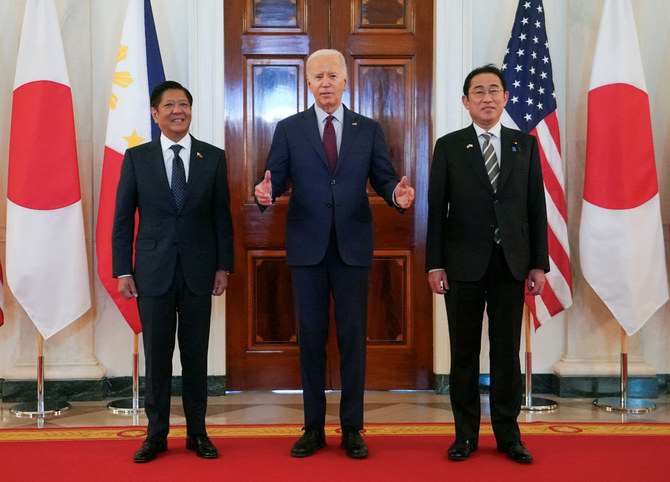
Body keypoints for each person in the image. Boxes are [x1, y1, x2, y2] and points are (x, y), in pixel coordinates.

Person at [255, 49, 414, 459]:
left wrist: (396, 194)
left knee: (352, 340)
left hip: (352, 247)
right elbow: (274, 176)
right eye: (317, 76)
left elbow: (384, 177)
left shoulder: (368, 129)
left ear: (346, 81)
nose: (325, 83)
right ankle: (312, 428)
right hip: (307, 248)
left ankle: (351, 428)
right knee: (310, 341)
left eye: (332, 75)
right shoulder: (290, 129)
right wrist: (265, 192)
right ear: (307, 84)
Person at [425, 65, 548, 464]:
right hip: (462, 265)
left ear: (506, 97)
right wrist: (435, 265)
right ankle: (464, 436)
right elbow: (436, 211)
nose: (487, 97)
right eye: (478, 91)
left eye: (494, 90)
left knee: (505, 354)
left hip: (511, 263)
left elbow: (535, 207)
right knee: (463, 354)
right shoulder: (448, 146)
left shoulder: (524, 145)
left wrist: (538, 265)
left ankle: (509, 436)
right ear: (466, 101)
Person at [112, 80, 234, 463]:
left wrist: (223, 266)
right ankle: (156, 435)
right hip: (152, 271)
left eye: (183, 104)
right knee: (158, 356)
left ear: (191, 111)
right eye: (169, 105)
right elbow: (121, 220)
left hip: (200, 272)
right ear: (155, 113)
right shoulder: (137, 158)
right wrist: (122, 270)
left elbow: (221, 218)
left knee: (196, 357)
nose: (177, 111)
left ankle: (198, 433)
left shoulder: (212, 157)